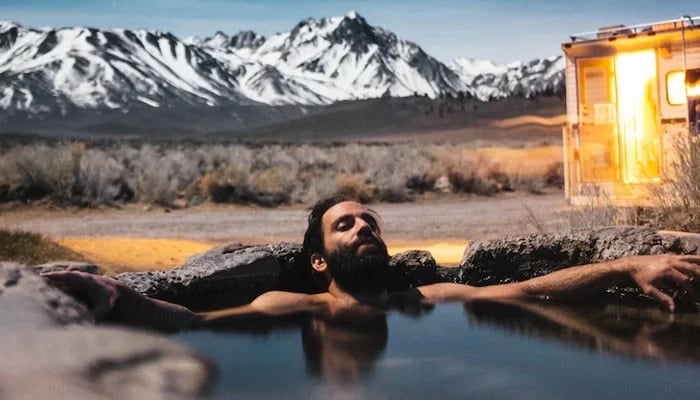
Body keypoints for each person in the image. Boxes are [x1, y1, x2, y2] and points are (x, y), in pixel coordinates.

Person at [43, 196, 700, 331]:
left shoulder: (429, 299)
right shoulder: (288, 307)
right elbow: (192, 323)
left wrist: (626, 267)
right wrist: (117, 296)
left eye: (371, 221)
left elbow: (532, 288)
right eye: (345, 223)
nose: (364, 227)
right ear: (319, 261)